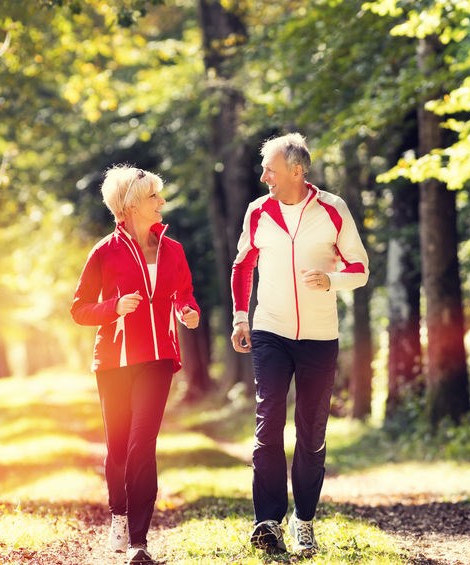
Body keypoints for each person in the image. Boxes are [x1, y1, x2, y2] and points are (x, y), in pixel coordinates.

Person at [230, 133, 369, 555]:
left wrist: (332, 280)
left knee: (311, 432)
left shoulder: (333, 209)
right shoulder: (259, 211)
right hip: (270, 329)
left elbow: (360, 268)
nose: (263, 176)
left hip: (319, 336)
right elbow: (242, 266)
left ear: (297, 170)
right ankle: (267, 521)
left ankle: (303, 521)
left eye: (270, 168)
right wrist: (240, 317)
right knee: (268, 420)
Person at [71, 166, 200, 565]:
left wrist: (187, 311)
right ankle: (119, 515)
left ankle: (139, 541)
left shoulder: (172, 250)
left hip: (159, 359)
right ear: (129, 206)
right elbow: (79, 310)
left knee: (142, 444)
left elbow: (185, 296)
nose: (162, 202)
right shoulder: (104, 252)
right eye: (153, 197)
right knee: (120, 447)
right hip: (114, 361)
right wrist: (114, 307)